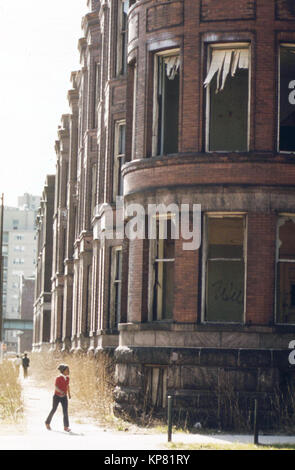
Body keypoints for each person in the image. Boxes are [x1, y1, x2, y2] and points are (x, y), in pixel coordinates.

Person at [45, 364, 71, 432]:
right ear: (62, 371)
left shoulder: (67, 378)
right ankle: (47, 422)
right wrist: (61, 392)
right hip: (57, 396)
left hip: (64, 397)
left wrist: (69, 394)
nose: (68, 371)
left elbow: (67, 386)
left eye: (68, 370)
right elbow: (56, 387)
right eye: (67, 370)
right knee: (54, 409)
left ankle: (66, 426)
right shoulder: (58, 378)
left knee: (65, 411)